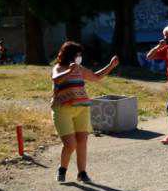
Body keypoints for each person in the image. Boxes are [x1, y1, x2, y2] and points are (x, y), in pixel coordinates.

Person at [51, 42, 119, 183]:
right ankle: (62, 169)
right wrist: (69, 71)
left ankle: (82, 173)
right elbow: (56, 79)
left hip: (82, 108)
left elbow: (95, 76)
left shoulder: (80, 68)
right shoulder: (58, 68)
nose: (80, 57)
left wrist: (111, 66)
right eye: (78, 54)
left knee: (82, 141)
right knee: (70, 144)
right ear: (70, 55)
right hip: (62, 109)